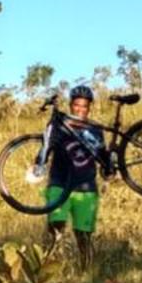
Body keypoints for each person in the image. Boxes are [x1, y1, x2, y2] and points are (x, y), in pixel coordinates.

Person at [44, 83, 111, 263]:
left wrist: (109, 167)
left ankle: (86, 275)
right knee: (54, 230)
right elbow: (46, 148)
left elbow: (103, 158)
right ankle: (44, 273)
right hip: (59, 183)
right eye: (76, 105)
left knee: (84, 236)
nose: (80, 109)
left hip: (86, 187)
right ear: (70, 105)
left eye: (84, 106)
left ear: (89, 108)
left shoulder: (96, 129)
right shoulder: (60, 124)